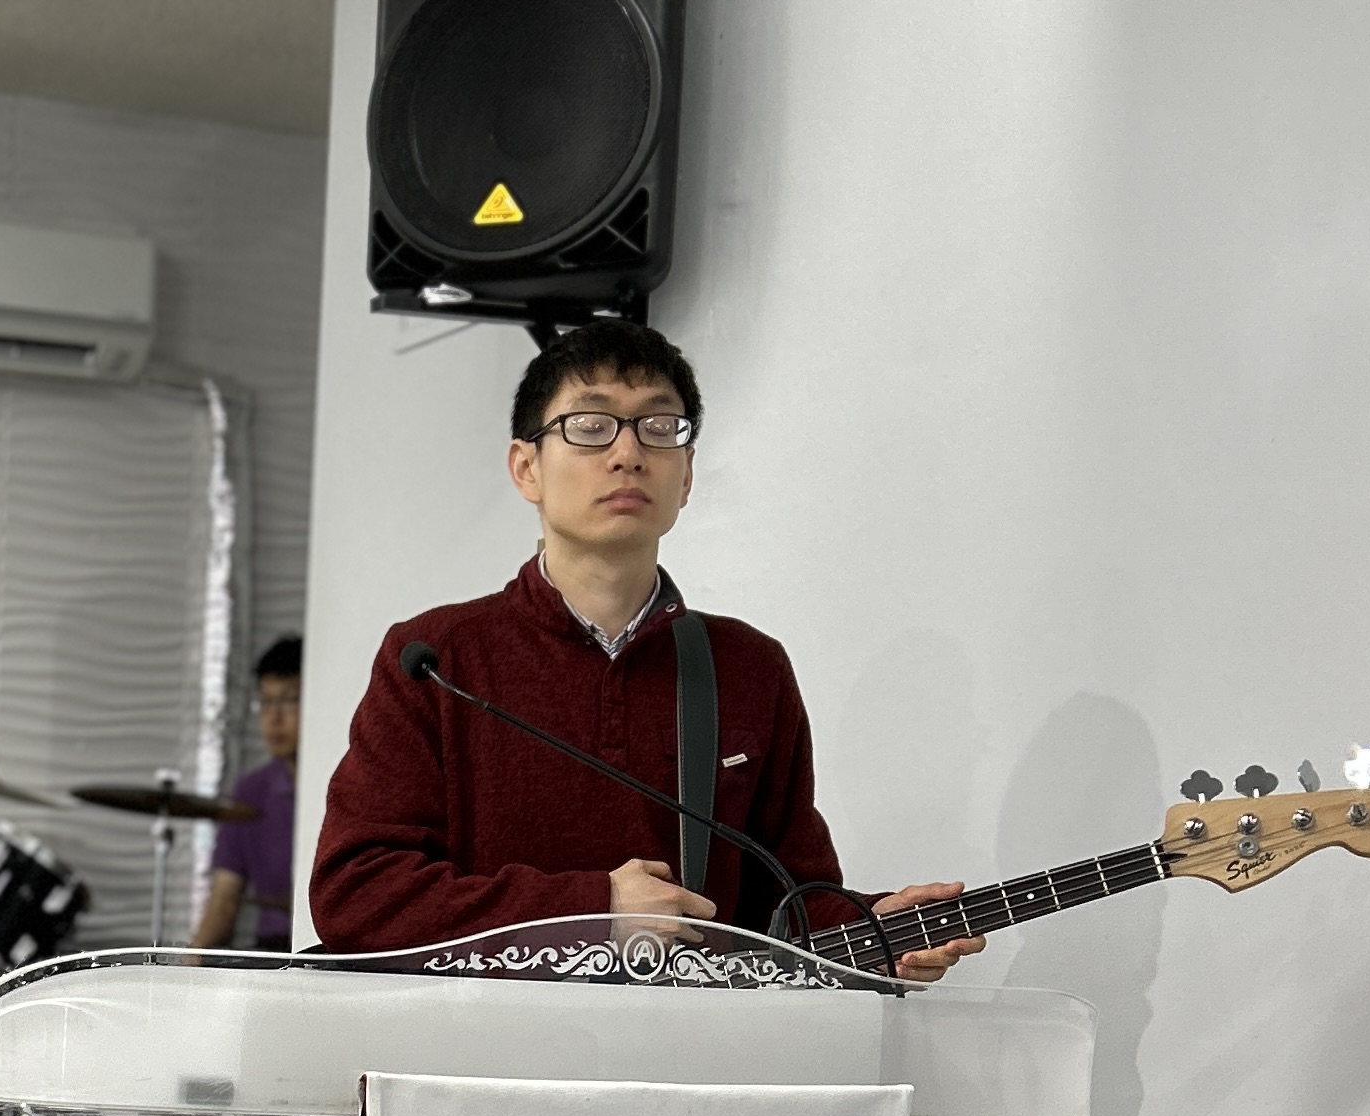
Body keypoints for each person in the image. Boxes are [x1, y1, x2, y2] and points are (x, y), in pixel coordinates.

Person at [306, 316, 980, 978]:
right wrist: (594, 910)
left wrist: (873, 927)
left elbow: (785, 909)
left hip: (684, 1046)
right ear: (526, 467)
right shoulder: (435, 659)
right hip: (477, 1043)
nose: (628, 453)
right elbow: (356, 895)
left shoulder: (748, 668)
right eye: (590, 425)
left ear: (685, 476)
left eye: (659, 428)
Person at [189, 634, 301, 950]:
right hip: (270, 954)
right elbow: (224, 900)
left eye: (289, 701)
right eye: (266, 702)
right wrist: (188, 964)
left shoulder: (345, 787)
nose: (274, 718)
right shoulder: (250, 791)